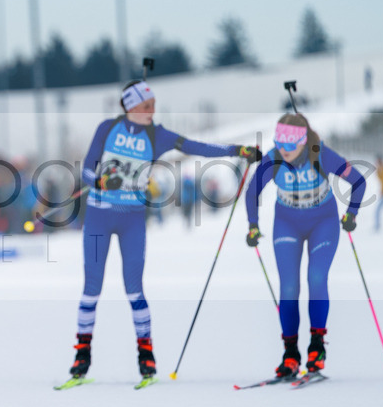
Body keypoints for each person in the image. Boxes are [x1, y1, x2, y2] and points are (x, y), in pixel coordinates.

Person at [69, 80, 258, 382]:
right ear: (130, 106)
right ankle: (82, 355)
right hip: (99, 217)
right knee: (92, 287)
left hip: (132, 218)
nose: (152, 110)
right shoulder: (107, 129)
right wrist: (102, 182)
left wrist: (237, 150)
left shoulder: (158, 136)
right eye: (146, 105)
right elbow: (88, 170)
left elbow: (198, 146)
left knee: (134, 288)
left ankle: (146, 355)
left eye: (154, 104)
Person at [244, 113, 365, 378]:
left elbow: (358, 181)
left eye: (290, 144)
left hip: (323, 221)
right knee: (288, 287)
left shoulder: (320, 153)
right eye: (279, 143)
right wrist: (253, 224)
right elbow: (252, 190)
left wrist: (351, 214)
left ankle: (316, 346)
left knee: (317, 277)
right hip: (287, 223)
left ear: (303, 141)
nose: (284, 150)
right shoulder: (273, 158)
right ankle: (290, 354)